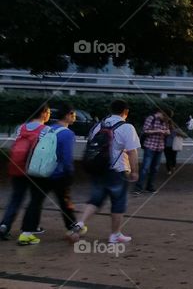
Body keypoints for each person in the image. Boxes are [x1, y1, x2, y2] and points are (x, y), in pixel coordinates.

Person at [71, 99, 141, 244]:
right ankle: (115, 234)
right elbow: (132, 152)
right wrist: (135, 171)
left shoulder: (98, 125)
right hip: (117, 170)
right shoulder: (127, 127)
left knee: (95, 200)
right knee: (118, 202)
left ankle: (80, 223)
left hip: (98, 168)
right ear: (125, 112)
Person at [0, 103, 52, 245]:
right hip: (34, 170)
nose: (49, 115)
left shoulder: (21, 128)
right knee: (35, 200)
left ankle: (4, 225)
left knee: (16, 198)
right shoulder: (46, 130)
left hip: (17, 168)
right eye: (48, 112)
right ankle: (27, 230)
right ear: (43, 113)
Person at [46, 105, 79, 238]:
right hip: (58, 173)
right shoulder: (67, 133)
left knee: (36, 201)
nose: (75, 117)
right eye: (73, 114)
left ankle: (28, 229)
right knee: (65, 201)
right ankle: (72, 227)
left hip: (43, 171)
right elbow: (67, 157)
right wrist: (70, 173)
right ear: (67, 115)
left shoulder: (48, 129)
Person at [135, 106, 170, 194]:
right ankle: (138, 188)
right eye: (165, 117)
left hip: (160, 147)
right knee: (145, 167)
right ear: (162, 113)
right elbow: (145, 131)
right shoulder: (151, 118)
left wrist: (167, 132)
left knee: (155, 168)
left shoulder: (165, 121)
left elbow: (168, 130)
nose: (166, 119)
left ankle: (150, 187)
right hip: (150, 146)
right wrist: (158, 131)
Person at [163, 110, 188, 175]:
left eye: (170, 124)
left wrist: (179, 134)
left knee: (173, 158)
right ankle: (169, 170)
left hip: (174, 146)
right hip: (166, 146)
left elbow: (185, 136)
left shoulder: (177, 130)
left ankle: (173, 167)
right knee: (168, 158)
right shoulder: (164, 129)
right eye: (168, 124)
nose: (169, 125)